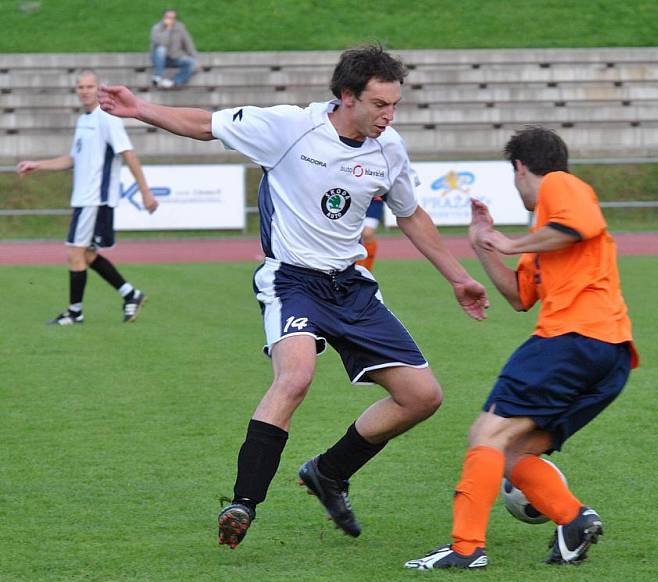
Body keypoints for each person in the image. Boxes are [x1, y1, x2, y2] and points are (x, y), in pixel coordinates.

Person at [97, 44, 489, 549]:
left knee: (422, 397)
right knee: (297, 376)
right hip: (292, 280)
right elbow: (205, 124)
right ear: (347, 96)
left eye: (395, 105)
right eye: (379, 104)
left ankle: (329, 472)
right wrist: (141, 109)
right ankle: (243, 503)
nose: (389, 116)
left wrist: (459, 277)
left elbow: (410, 214)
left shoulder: (389, 148)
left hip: (350, 285)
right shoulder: (289, 127)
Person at [404, 126, 638, 570]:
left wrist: (511, 242)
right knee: (512, 452)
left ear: (520, 167)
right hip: (610, 358)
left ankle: (467, 547)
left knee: (485, 435)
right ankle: (573, 520)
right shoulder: (546, 236)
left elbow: (578, 226)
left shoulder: (560, 185)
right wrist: (483, 244)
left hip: (572, 341)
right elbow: (518, 296)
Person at [16, 69, 158, 326]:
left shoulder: (108, 119)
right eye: (80, 87)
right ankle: (131, 295)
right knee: (87, 255)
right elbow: (73, 159)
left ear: (99, 89)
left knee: (74, 252)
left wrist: (145, 192)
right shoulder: (84, 120)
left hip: (95, 199)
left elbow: (128, 153)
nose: (84, 91)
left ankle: (75, 312)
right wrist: (38, 164)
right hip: (83, 199)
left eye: (89, 86)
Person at [150, 9, 198, 89]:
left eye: (172, 18)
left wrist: (195, 58)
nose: (169, 19)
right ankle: (158, 76)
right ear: (163, 17)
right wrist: (168, 29)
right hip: (159, 59)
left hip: (175, 57)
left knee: (192, 63)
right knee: (161, 49)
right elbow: (161, 43)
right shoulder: (157, 28)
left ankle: (173, 81)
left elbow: (188, 43)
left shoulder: (180, 28)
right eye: (167, 17)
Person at [356, 195, 384, 271]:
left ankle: (367, 271)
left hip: (374, 200)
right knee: (355, 236)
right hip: (354, 199)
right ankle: (355, 269)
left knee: (367, 234)